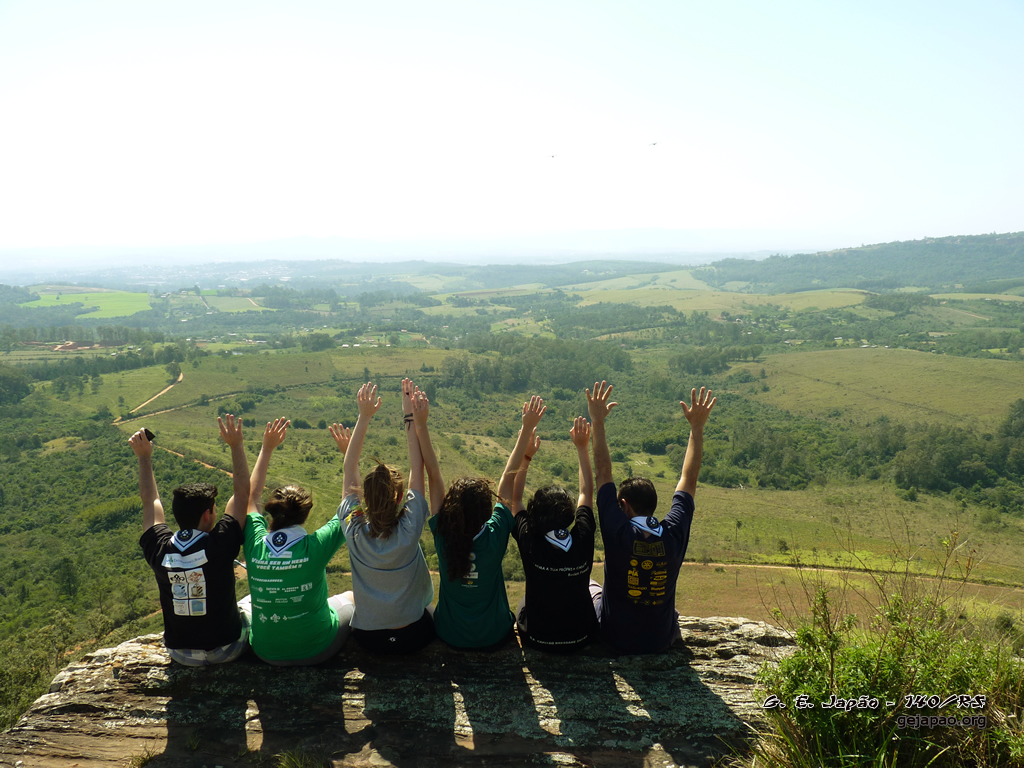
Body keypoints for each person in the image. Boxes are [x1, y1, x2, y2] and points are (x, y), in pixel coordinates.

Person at [588, 381, 716, 654]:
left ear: (624, 506)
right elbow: (688, 480)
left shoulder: (618, 532)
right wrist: (696, 428)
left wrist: (597, 422)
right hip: (660, 640)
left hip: (614, 638)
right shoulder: (674, 532)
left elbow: (603, 472)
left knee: (589, 586)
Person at [330, 379, 441, 654]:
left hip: (369, 639)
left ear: (365, 500)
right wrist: (409, 416)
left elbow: (349, 468)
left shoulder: (355, 530)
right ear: (399, 498)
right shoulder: (410, 528)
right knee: (431, 608)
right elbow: (418, 467)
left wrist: (364, 417)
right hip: (414, 636)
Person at [429, 396, 546, 650]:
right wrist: (526, 432)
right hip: (494, 634)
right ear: (486, 511)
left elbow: (434, 475)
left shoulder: (443, 534)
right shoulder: (496, 533)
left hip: (450, 634)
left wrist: (419, 425)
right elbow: (508, 478)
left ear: (451, 509)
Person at [133, 415, 251, 666]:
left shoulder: (159, 549)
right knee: (250, 605)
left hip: (181, 654)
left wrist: (144, 457)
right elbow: (242, 494)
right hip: (226, 649)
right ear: (208, 515)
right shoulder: (220, 544)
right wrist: (236, 445)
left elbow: (150, 501)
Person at [240, 417, 353, 665]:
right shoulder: (315, 547)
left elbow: (251, 497)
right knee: (350, 597)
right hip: (317, 648)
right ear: (306, 514)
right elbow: (350, 503)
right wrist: (349, 454)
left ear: (272, 511)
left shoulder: (255, 544)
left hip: (265, 651)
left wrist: (266, 448)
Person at [512, 415, 598, 651]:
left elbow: (515, 499)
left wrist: (526, 456)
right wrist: (582, 447)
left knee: (523, 602)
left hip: (537, 639)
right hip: (581, 636)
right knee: (593, 586)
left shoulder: (530, 541)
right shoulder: (582, 537)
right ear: (569, 515)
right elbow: (586, 494)